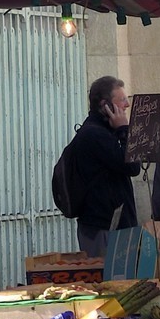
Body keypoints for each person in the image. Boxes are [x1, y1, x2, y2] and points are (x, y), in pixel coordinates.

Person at [62, 75, 140, 257]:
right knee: (108, 282)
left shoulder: (101, 132)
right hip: (103, 228)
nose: (127, 105)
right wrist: (123, 129)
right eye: (122, 100)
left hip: (111, 227)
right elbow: (132, 166)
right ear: (106, 105)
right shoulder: (95, 135)